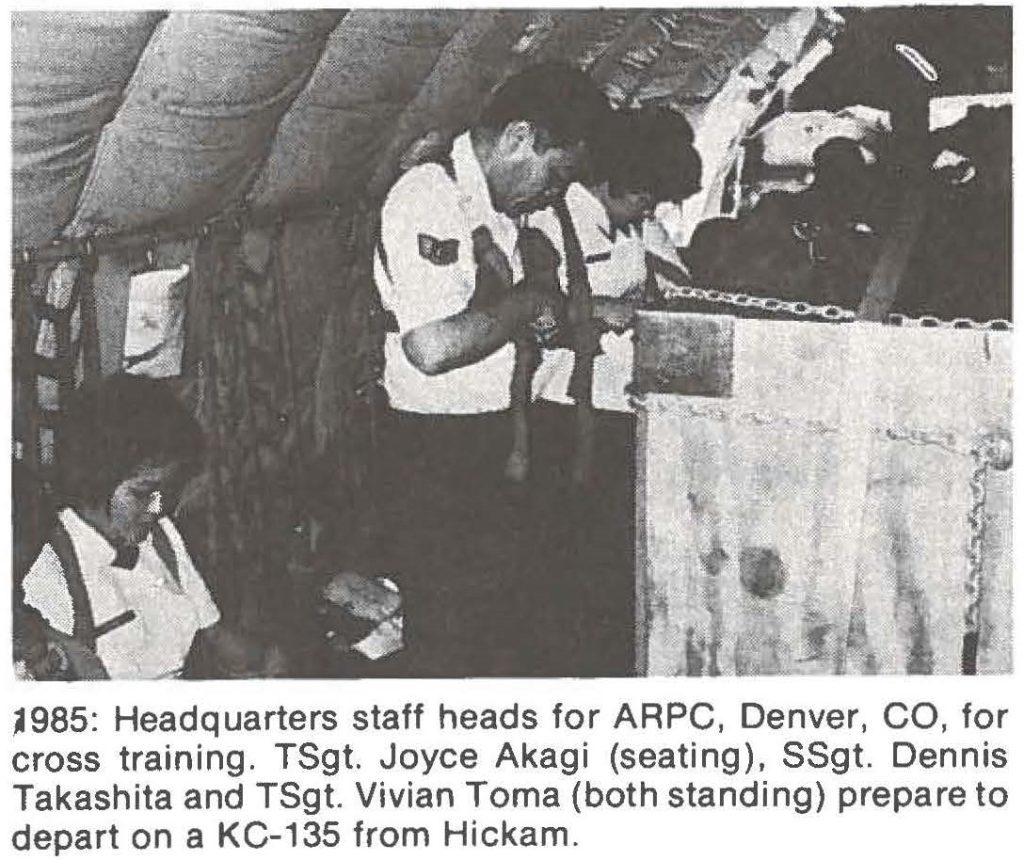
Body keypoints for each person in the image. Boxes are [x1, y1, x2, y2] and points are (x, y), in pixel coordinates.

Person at [373, 62, 609, 677]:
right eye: (556, 175)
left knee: (502, 631)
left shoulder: (500, 208)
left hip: (497, 439)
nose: (557, 195)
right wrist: (527, 306)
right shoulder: (430, 197)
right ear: (518, 138)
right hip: (440, 455)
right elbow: (431, 349)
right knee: (454, 643)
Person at [524, 106, 703, 676]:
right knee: (580, 564)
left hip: (620, 410)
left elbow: (672, 280)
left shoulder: (631, 226)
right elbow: (534, 312)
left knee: (617, 561)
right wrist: (601, 312)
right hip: (567, 416)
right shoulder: (552, 223)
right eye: (642, 197)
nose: (649, 210)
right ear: (611, 180)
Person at [17, 374, 281, 680]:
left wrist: (271, 662)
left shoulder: (161, 535)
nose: (157, 508)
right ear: (93, 480)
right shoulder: (48, 566)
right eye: (143, 494)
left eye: (166, 493)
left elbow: (214, 633)